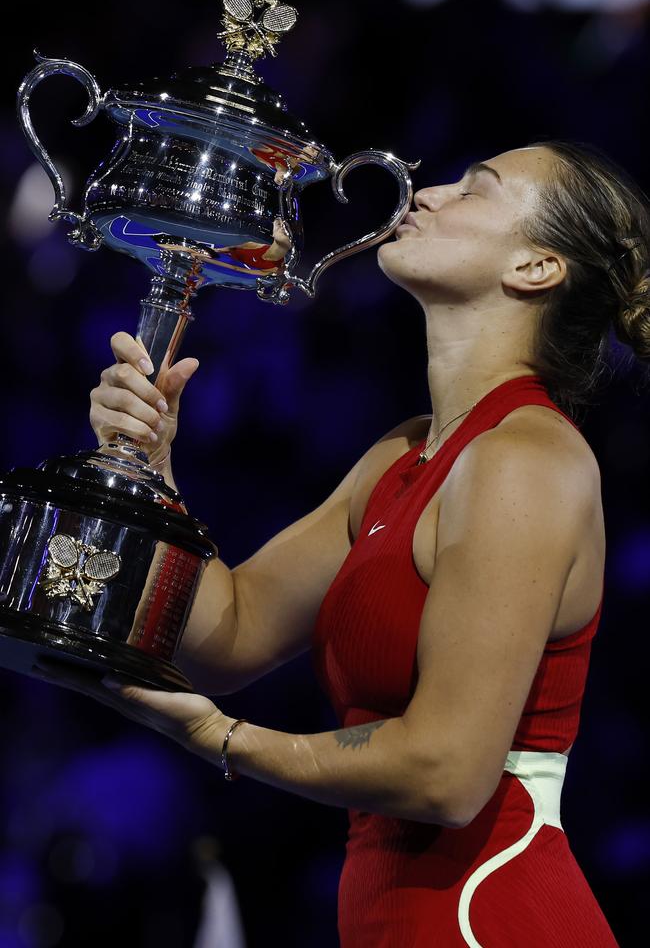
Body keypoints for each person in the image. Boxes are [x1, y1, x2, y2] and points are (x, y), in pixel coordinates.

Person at [35, 140, 649, 946]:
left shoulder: (525, 460)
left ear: (536, 268)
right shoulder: (401, 456)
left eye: (475, 189)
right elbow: (234, 628)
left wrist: (223, 740)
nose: (425, 193)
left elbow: (445, 772)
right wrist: (153, 475)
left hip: (487, 921)